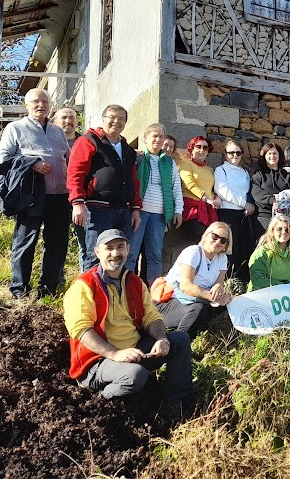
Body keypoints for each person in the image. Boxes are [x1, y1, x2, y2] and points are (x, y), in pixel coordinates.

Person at [63, 229, 193, 419]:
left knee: (180, 340)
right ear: (97, 252)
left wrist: (161, 339)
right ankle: (97, 403)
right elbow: (81, 330)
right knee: (135, 375)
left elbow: (152, 316)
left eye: (120, 247)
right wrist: (115, 354)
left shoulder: (135, 282)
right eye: (109, 248)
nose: (115, 253)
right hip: (98, 360)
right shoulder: (84, 285)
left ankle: (176, 407)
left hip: (134, 351)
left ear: (128, 249)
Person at [0, 88, 71, 298]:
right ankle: (19, 289)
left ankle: (48, 289)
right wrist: (32, 164)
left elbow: (69, 158)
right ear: (26, 106)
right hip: (30, 195)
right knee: (26, 241)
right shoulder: (15, 128)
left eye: (45, 102)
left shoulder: (58, 131)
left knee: (57, 243)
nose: (41, 105)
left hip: (59, 196)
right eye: (36, 102)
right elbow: (3, 160)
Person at [67, 104, 142, 271]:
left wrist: (136, 208)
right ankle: (91, 295)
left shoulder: (127, 150)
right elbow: (75, 171)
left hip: (124, 211)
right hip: (97, 209)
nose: (116, 122)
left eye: (121, 119)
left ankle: (115, 295)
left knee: (122, 257)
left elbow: (133, 181)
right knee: (96, 256)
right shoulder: (88, 141)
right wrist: (77, 202)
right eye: (112, 117)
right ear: (103, 120)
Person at [127, 124, 184, 283]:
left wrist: (178, 210)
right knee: (131, 252)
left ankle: (154, 291)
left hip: (159, 215)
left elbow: (175, 187)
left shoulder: (169, 163)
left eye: (161, 136)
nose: (158, 139)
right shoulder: (137, 158)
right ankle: (127, 289)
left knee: (155, 254)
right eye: (155, 136)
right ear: (146, 139)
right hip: (138, 212)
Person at [155, 222, 233, 337]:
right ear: (206, 235)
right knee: (198, 309)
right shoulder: (193, 252)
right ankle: (179, 341)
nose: (218, 242)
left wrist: (219, 288)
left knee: (227, 306)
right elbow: (186, 286)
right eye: (214, 237)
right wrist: (213, 297)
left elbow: (219, 284)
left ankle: (208, 339)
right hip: (169, 302)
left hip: (193, 302)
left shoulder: (222, 258)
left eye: (223, 241)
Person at [214, 140, 257, 283]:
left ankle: (241, 281)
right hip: (228, 214)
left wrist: (248, 205)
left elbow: (249, 190)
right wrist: (245, 204)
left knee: (244, 247)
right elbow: (223, 191)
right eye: (231, 152)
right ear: (225, 154)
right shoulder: (221, 170)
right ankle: (227, 281)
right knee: (230, 249)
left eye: (238, 153)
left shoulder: (244, 172)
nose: (234, 155)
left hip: (243, 215)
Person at [54, 105, 87, 269]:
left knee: (85, 241)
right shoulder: (50, 142)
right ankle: (57, 280)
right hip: (57, 196)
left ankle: (85, 279)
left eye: (72, 118)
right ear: (55, 122)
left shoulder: (86, 142)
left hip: (81, 198)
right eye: (64, 118)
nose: (68, 121)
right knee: (57, 241)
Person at [178, 136, 221, 242]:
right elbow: (189, 184)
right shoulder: (186, 164)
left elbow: (212, 189)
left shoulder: (210, 169)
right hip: (193, 210)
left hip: (209, 210)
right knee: (201, 239)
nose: (202, 150)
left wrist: (216, 198)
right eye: (198, 147)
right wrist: (206, 198)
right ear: (192, 149)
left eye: (205, 148)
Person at [247, 215, 290, 291]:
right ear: (272, 231)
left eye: (287, 229)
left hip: (286, 297)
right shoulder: (262, 253)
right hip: (261, 297)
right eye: (279, 229)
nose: (283, 232)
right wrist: (283, 288)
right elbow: (258, 280)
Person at [251, 142, 290, 231]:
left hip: (285, 216)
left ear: (279, 156)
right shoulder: (259, 174)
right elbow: (256, 192)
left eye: (275, 153)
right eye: (269, 153)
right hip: (265, 216)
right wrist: (273, 201)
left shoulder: (286, 175)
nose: (272, 156)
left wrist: (283, 203)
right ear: (264, 156)